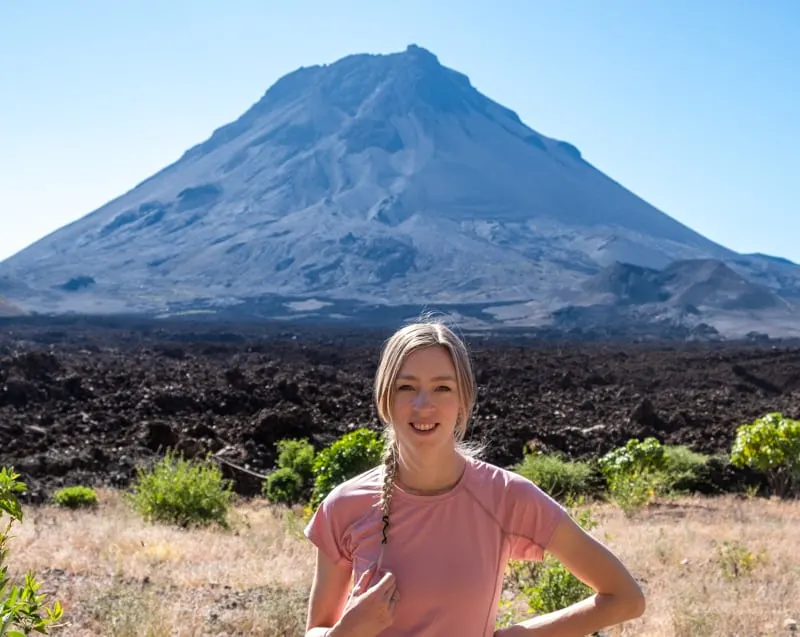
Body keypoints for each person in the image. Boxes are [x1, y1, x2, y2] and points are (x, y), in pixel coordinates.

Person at [303, 319, 645, 637]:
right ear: (384, 398)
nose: (424, 404)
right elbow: (316, 629)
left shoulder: (506, 497)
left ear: (464, 400)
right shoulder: (345, 505)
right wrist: (346, 631)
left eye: (442, 388)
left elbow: (625, 597)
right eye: (407, 387)